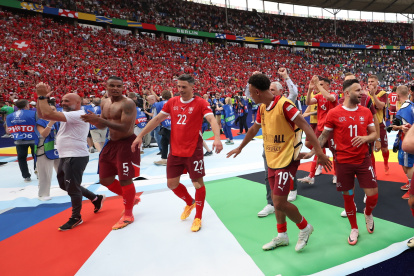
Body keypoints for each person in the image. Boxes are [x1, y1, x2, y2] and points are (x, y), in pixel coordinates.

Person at [227, 73, 331, 252]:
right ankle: (282, 235)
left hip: (287, 159)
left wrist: (319, 153)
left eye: (251, 93)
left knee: (280, 202)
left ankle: (305, 227)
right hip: (272, 159)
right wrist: (241, 147)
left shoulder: (285, 105)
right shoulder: (262, 108)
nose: (249, 96)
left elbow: (306, 126)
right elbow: (253, 128)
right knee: (277, 203)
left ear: (257, 92)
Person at [131, 74, 223, 232]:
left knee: (197, 183)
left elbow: (212, 120)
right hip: (175, 151)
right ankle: (189, 202)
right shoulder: (172, 102)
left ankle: (198, 217)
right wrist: (139, 136)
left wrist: (217, 138)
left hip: (193, 150)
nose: (180, 90)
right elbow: (156, 120)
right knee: (171, 184)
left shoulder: (201, 103)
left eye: (184, 87)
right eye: (178, 87)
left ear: (192, 87)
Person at [35, 83, 105, 231]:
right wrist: (41, 99)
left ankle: (76, 217)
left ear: (78, 103)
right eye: (63, 100)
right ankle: (96, 198)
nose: (63, 103)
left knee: (72, 188)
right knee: (65, 185)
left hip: (75, 156)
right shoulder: (71, 114)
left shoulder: (78, 114)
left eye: (67, 101)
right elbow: (42, 115)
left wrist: (42, 97)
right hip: (66, 155)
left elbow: (47, 114)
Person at [318, 78, 378, 245]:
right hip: (343, 163)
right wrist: (314, 152)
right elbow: (324, 136)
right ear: (346, 93)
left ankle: (367, 213)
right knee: (348, 197)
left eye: (361, 90)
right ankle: (354, 228)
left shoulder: (365, 111)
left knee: (373, 196)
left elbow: (374, 134)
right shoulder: (334, 113)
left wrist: (366, 137)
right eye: (358, 90)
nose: (362, 93)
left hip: (363, 160)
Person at [81, 76, 140, 230]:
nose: (115, 88)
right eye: (112, 85)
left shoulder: (128, 103)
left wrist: (100, 121)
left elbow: (125, 128)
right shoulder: (104, 102)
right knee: (105, 179)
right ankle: (130, 198)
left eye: (118, 86)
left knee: (125, 179)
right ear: (106, 87)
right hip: (111, 143)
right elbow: (102, 125)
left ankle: (128, 214)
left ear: (123, 87)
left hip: (127, 143)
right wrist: (93, 121)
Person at [256, 68, 300, 218]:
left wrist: (286, 76)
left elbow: (294, 92)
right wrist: (255, 79)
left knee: (287, 173)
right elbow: (250, 94)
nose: (270, 92)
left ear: (281, 92)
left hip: (285, 147)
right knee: (268, 174)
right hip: (269, 146)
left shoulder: (286, 102)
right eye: (269, 89)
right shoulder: (263, 104)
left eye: (273, 90)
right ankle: (271, 202)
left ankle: (289, 193)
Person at [299, 75, 338, 185]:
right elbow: (307, 103)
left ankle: (336, 174)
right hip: (320, 128)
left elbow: (330, 98)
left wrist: (317, 85)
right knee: (317, 151)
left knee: (335, 153)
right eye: (319, 84)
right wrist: (310, 89)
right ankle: (311, 176)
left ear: (327, 86)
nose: (319, 87)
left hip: (331, 130)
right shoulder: (319, 96)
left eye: (321, 85)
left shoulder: (333, 95)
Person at [392, 86, 414, 200]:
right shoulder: (411, 105)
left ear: (397, 95)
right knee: (407, 163)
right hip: (408, 139)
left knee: (407, 165)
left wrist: (396, 127)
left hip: (407, 139)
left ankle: (412, 189)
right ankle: (410, 183)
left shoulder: (404, 109)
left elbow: (406, 127)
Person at [6, 99, 37, 182]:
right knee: (37, 156)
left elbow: (8, 131)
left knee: (22, 158)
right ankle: (38, 172)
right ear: (27, 106)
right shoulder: (34, 113)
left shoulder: (9, 116)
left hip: (19, 141)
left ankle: (26, 176)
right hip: (34, 139)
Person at [35, 104, 60, 201]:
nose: (53, 111)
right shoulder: (40, 122)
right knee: (45, 172)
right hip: (44, 149)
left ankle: (67, 187)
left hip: (57, 148)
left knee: (63, 170)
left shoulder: (59, 121)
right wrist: (51, 123)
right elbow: (44, 134)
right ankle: (43, 194)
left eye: (54, 109)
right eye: (50, 110)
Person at [368, 75, 389, 173]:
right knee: (370, 149)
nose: (370, 83)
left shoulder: (382, 93)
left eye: (372, 81)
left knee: (384, 148)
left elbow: (381, 106)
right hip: (368, 125)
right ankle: (374, 172)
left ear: (377, 83)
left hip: (380, 124)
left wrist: (373, 95)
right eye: (369, 82)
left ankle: (385, 163)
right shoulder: (364, 94)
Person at [154, 90, 173, 166]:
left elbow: (155, 117)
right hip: (174, 125)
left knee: (167, 143)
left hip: (165, 125)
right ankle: (164, 159)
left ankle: (170, 159)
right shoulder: (174, 102)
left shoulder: (158, 105)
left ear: (162, 96)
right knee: (164, 142)